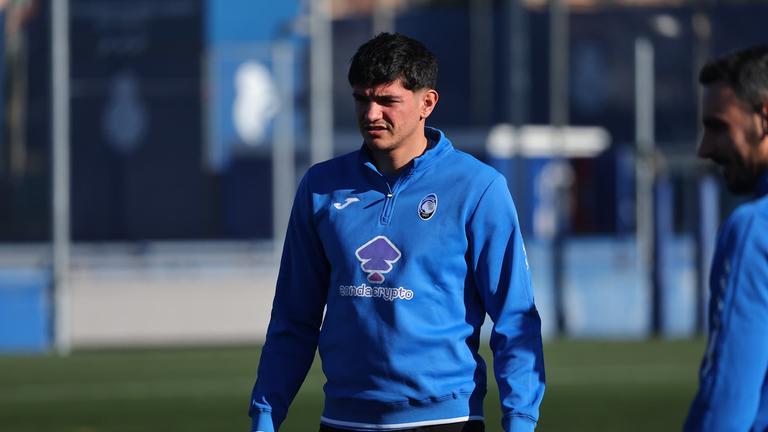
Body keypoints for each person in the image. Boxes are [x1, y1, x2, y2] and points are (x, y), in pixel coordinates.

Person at [249, 32, 545, 432]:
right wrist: (266, 415)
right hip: (343, 419)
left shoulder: (477, 188)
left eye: (387, 101)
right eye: (361, 99)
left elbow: (515, 319)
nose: (371, 114)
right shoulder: (321, 187)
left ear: (427, 102)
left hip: (447, 419)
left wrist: (521, 419)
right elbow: (293, 316)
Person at [685, 45, 768, 431]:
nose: (705, 149)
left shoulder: (754, 229)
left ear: (764, 118)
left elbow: (727, 398)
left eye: (719, 126)